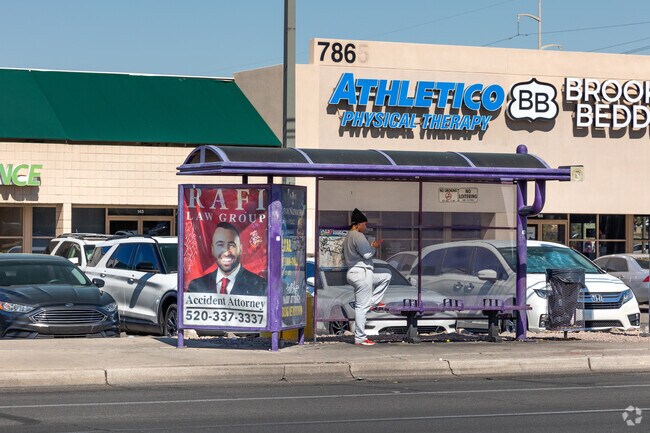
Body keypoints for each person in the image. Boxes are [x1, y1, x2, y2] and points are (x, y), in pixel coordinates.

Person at [343, 208, 390, 346]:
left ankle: (372, 302)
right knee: (361, 308)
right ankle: (360, 337)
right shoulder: (358, 236)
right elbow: (367, 255)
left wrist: (369, 247)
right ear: (357, 224)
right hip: (362, 273)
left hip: (356, 273)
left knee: (386, 276)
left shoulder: (348, 236)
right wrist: (374, 247)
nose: (366, 227)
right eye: (364, 224)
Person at [188, 222, 267, 296]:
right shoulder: (196, 286)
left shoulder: (259, 285)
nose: (226, 253)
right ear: (212, 249)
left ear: (240, 249)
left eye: (232, 245)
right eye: (220, 245)